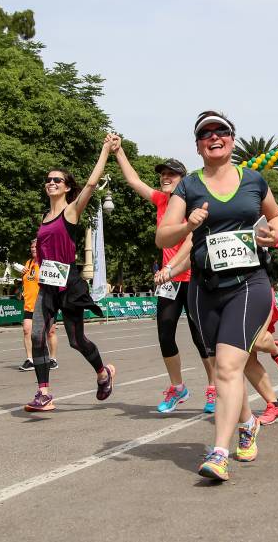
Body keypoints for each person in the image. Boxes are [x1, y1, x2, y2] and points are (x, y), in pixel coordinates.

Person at [157, 110, 278, 482]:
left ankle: (219, 452)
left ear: (231, 139)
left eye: (221, 131)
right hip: (204, 289)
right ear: (198, 145)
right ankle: (248, 423)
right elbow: (163, 237)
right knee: (228, 367)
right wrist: (187, 224)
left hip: (249, 284)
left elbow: (276, 218)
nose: (214, 137)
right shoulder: (188, 187)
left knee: (228, 368)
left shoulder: (254, 180)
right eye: (205, 134)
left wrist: (271, 235)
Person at [114, 145, 217, 413]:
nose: (165, 178)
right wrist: (118, 151)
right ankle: (178, 387)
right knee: (165, 334)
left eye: (172, 174)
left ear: (183, 179)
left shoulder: (191, 205)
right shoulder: (161, 200)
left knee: (201, 337)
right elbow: (134, 180)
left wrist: (170, 266)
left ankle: (214, 388)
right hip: (168, 281)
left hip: (192, 276)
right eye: (163, 174)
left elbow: (191, 240)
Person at [24, 135, 117, 412]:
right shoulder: (43, 218)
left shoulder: (72, 211)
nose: (51, 183)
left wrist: (104, 150)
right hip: (47, 285)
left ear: (66, 188)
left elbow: (90, 183)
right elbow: (45, 249)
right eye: (48, 180)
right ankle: (43, 393)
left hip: (70, 285)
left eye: (57, 180)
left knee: (76, 340)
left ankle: (103, 373)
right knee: (38, 335)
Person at [14, 239, 58, 371]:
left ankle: (53, 359)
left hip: (46, 303)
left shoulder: (47, 264)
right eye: (31, 246)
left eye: (35, 247)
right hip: (30, 304)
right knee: (27, 330)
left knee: (50, 332)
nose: (33, 249)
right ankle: (30, 360)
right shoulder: (28, 263)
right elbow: (27, 282)